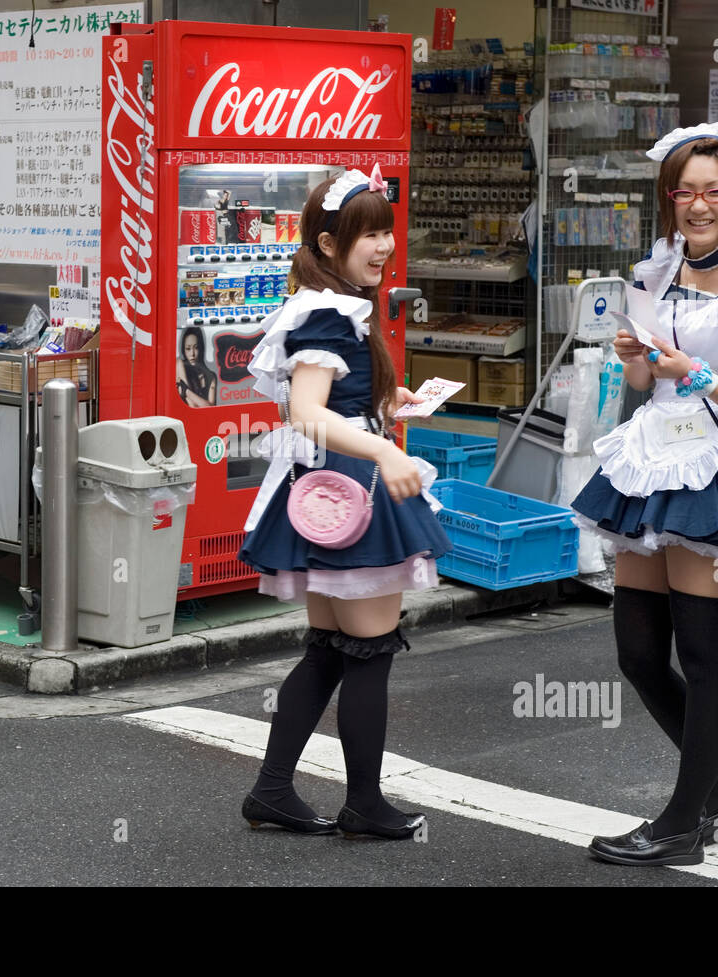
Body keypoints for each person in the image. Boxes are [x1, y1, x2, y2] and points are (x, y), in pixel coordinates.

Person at [570, 122, 718, 866]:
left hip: (717, 469)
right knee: (639, 653)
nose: (699, 205)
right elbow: (643, 380)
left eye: (714, 191)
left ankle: (683, 825)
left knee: (706, 658)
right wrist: (636, 357)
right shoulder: (655, 272)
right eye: (685, 192)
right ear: (669, 197)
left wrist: (698, 374)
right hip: (652, 462)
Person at [237, 165, 453, 840]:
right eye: (369, 234)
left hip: (326, 489)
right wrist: (385, 451)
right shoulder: (329, 311)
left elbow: (331, 400)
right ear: (329, 244)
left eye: (388, 230)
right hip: (351, 489)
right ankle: (363, 804)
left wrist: (388, 401)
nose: (385, 245)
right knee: (368, 650)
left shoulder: (331, 302)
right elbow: (306, 411)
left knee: (330, 649)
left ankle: (272, 789)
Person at [177, 326, 217, 407]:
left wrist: (186, 391)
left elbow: (210, 408)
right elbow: (192, 405)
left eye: (196, 348)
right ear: (183, 350)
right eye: (188, 349)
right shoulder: (179, 365)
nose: (192, 354)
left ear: (201, 348)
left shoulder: (211, 376)